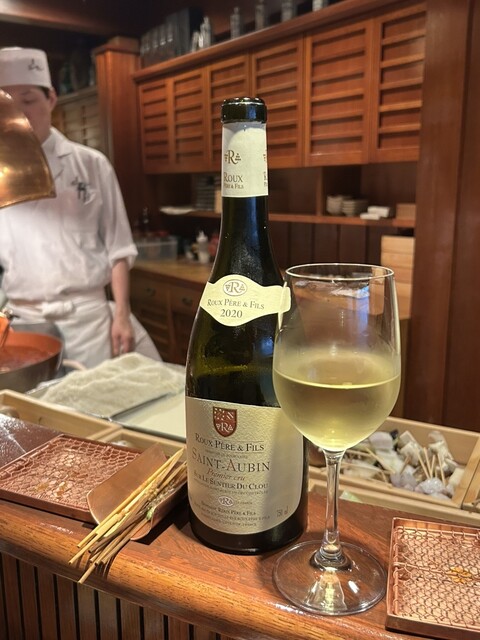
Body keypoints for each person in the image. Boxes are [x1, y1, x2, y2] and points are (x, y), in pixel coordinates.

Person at [0, 47, 160, 368]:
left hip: (88, 320)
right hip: (23, 321)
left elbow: (119, 248)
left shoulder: (91, 164)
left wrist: (122, 314)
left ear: (51, 99)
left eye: (28, 100)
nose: (18, 113)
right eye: (7, 103)